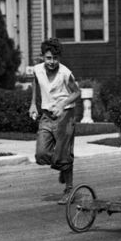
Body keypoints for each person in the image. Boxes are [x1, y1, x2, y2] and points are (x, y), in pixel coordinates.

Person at [28, 38, 81, 205]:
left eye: (55, 58)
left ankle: (69, 189)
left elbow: (76, 93)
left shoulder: (65, 73)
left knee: (63, 154)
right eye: (49, 58)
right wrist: (33, 105)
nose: (52, 62)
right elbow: (36, 84)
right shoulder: (37, 70)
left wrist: (63, 104)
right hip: (46, 115)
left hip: (65, 115)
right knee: (41, 154)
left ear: (60, 58)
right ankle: (62, 164)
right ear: (43, 56)